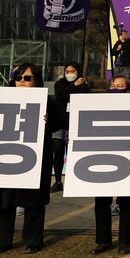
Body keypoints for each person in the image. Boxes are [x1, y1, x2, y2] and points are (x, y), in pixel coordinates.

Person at [0, 63, 52, 254]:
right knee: (5, 200)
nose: (22, 81)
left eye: (27, 78)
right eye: (18, 78)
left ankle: (33, 240)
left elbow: (63, 122)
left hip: (34, 158)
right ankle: (2, 240)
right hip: (5, 156)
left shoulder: (46, 100)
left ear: (36, 80)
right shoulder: (2, 100)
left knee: (33, 201)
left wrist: (49, 120)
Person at [91, 75, 130, 255]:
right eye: (112, 85)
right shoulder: (98, 105)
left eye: (120, 86)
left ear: (128, 90)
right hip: (102, 157)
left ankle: (125, 241)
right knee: (101, 201)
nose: (115, 88)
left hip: (126, 157)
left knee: (126, 201)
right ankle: (104, 241)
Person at [49, 63, 89, 193]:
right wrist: (74, 85)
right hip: (60, 123)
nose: (70, 73)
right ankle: (58, 181)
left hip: (75, 123)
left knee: (73, 153)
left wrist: (79, 85)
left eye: (73, 71)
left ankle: (74, 181)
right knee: (58, 152)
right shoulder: (59, 84)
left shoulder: (84, 86)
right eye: (67, 71)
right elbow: (62, 96)